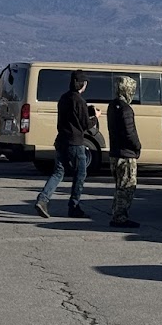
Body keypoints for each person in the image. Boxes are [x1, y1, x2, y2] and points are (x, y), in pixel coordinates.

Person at [35, 70, 96, 219]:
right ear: (83, 84)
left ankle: (43, 199)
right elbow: (85, 124)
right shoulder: (79, 101)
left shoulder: (64, 98)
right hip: (75, 143)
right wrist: (95, 117)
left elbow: (73, 117)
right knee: (80, 173)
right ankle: (74, 205)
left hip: (61, 140)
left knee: (58, 172)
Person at [107, 75, 142, 228]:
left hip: (115, 153)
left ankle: (116, 213)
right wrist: (137, 146)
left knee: (119, 186)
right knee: (127, 187)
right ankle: (120, 217)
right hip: (126, 154)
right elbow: (130, 132)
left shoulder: (112, 106)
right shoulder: (126, 109)